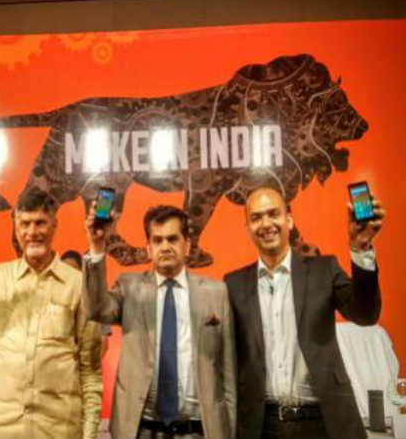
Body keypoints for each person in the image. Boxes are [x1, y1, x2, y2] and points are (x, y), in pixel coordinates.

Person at [0, 188, 103, 439]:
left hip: (58, 432)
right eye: (25, 224)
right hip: (0, 431)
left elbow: (90, 372)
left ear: (54, 225)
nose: (32, 232)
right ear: (15, 229)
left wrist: (89, 436)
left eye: (40, 223)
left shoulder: (79, 286)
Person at [224, 185, 385, 439]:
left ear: (289, 220)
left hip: (323, 421)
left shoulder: (324, 270)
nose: (266, 224)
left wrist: (361, 247)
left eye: (273, 214)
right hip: (261, 425)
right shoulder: (233, 285)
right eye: (256, 217)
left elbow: (366, 315)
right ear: (248, 229)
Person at [83, 204, 236, 439]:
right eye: (157, 240)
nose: (165, 247)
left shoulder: (216, 293)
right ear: (148, 248)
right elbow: (96, 309)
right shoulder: (129, 287)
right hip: (141, 429)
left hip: (198, 430)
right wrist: (96, 247)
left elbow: (228, 373)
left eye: (172, 239)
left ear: (187, 245)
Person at [62, 249, 112, 358]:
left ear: (82, 273)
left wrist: (88, 366)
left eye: (73, 271)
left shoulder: (96, 301)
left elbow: (103, 342)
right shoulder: (51, 299)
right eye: (65, 271)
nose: (69, 276)